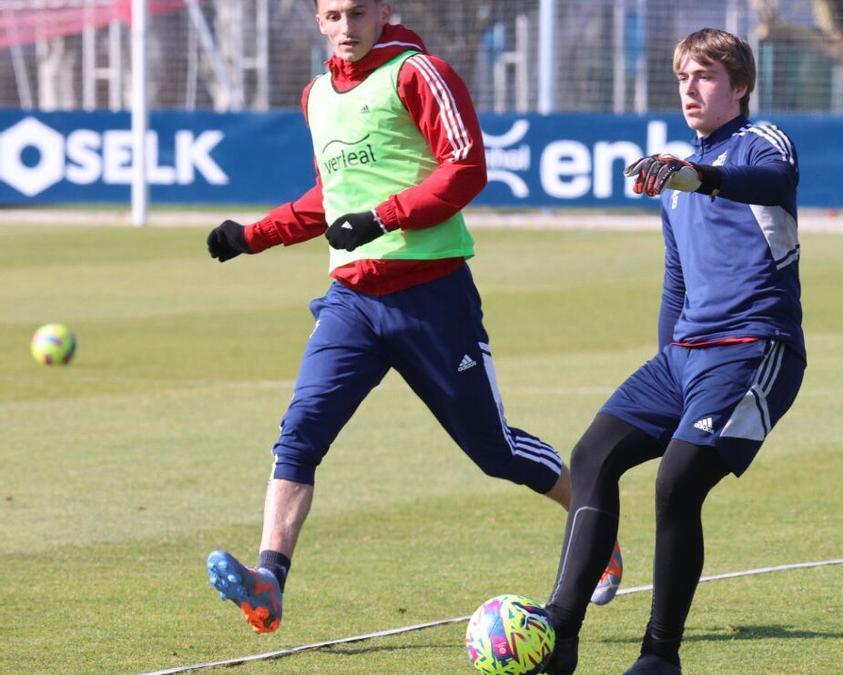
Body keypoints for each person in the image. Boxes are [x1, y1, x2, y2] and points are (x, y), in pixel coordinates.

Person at [202, 0, 620, 635]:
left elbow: (466, 168)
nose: (347, 28)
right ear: (319, 19)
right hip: (351, 302)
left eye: (359, 13)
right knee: (300, 434)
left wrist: (383, 217)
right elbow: (331, 198)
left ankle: (594, 527)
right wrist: (251, 236)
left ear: (383, 12)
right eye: (334, 15)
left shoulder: (418, 73)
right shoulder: (316, 94)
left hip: (433, 298)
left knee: (494, 450)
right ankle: (269, 582)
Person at [539, 28, 805, 675]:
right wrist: (668, 366)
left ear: (739, 86)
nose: (691, 87)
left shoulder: (759, 145)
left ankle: (660, 655)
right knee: (591, 455)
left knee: (677, 482)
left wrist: (698, 176)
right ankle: (559, 632)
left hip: (755, 352)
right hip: (684, 358)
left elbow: (772, 178)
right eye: (684, 76)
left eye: (706, 75)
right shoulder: (676, 179)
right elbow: (675, 279)